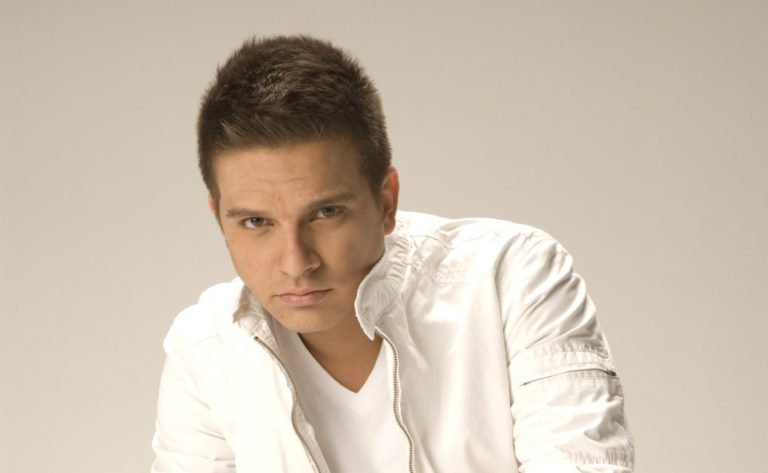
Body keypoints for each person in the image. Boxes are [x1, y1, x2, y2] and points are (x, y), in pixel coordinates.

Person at [151, 35, 634, 473]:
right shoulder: (203, 349)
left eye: (326, 213)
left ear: (386, 202)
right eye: (257, 222)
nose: (296, 263)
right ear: (219, 218)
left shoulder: (511, 278)